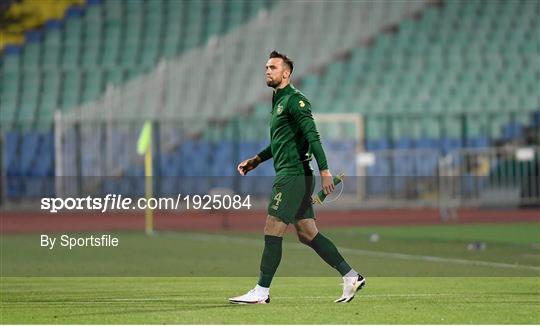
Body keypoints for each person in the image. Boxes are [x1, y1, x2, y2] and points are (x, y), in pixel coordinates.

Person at [229, 51, 365, 304]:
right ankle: (351, 275)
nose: (267, 71)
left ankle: (261, 291)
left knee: (273, 227)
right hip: (293, 175)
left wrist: (325, 171)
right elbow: (280, 142)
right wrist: (256, 160)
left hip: (293, 176)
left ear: (286, 73)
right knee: (307, 233)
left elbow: (312, 136)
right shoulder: (278, 100)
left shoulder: (295, 100)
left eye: (273, 67)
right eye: (266, 67)